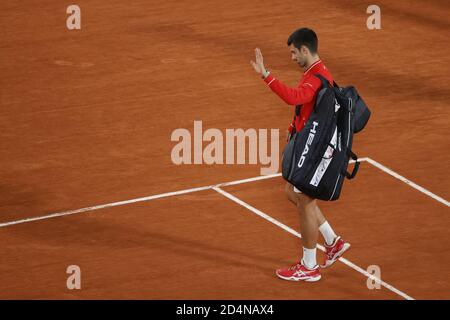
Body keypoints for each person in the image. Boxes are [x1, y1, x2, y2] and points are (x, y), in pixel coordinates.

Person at [250, 27, 350, 282]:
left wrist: (266, 76)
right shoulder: (313, 73)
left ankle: (309, 266)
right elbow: (307, 109)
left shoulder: (315, 78)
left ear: (305, 50)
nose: (292, 57)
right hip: (312, 143)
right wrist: (292, 128)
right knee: (291, 192)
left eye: (294, 53)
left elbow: (295, 97)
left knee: (305, 199)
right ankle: (332, 242)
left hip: (318, 150)